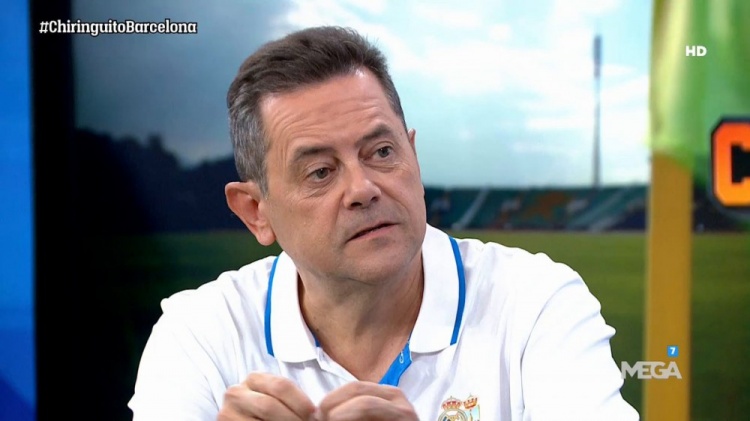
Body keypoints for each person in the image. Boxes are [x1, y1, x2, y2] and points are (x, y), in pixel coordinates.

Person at [128, 25, 639, 421]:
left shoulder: (536, 303)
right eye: (321, 172)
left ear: (413, 155)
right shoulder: (200, 334)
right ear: (256, 212)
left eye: (381, 152)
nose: (363, 188)